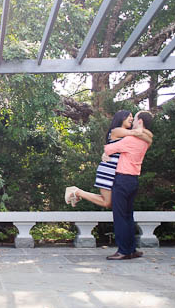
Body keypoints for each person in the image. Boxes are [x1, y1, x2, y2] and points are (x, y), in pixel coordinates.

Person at [65, 110, 153, 209]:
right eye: (129, 116)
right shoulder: (117, 131)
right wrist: (141, 130)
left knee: (109, 202)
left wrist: (144, 133)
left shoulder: (128, 134)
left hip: (115, 170)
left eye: (133, 117)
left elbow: (146, 138)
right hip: (108, 169)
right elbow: (139, 135)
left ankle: (75, 193)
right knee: (107, 203)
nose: (132, 119)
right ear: (121, 118)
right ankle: (76, 191)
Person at [103, 111, 154, 260]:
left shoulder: (130, 139)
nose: (133, 120)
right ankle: (131, 249)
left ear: (140, 122)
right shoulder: (146, 141)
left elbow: (108, 149)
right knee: (128, 216)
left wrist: (106, 152)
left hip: (122, 179)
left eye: (135, 118)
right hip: (133, 180)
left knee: (120, 217)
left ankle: (123, 251)